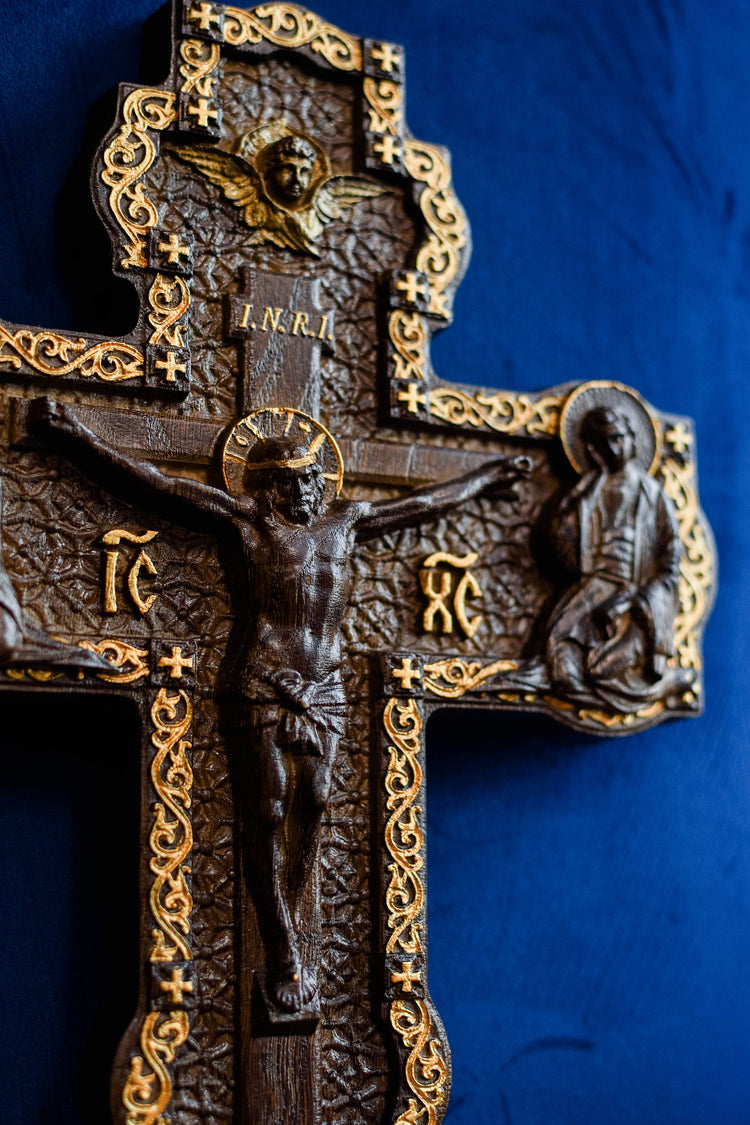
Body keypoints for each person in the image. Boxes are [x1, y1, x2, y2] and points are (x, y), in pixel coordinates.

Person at [36, 398, 529, 1012]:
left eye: (316, 478)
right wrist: (78, 437)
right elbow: (156, 484)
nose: (310, 490)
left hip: (324, 686)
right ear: (268, 488)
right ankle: (283, 947)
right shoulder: (245, 522)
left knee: (316, 803)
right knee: (266, 810)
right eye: (296, 481)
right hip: (262, 679)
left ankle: (289, 919)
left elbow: (423, 503)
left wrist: (485, 479)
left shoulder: (345, 522)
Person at [539, 405, 683, 708]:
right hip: (594, 586)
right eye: (604, 442)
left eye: (618, 438)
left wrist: (635, 601)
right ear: (593, 449)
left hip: (635, 596)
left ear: (633, 438)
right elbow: (558, 550)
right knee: (560, 655)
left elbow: (669, 562)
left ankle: (645, 680)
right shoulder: (590, 489)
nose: (613, 448)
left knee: (603, 669)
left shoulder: (652, 494)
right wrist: (573, 501)